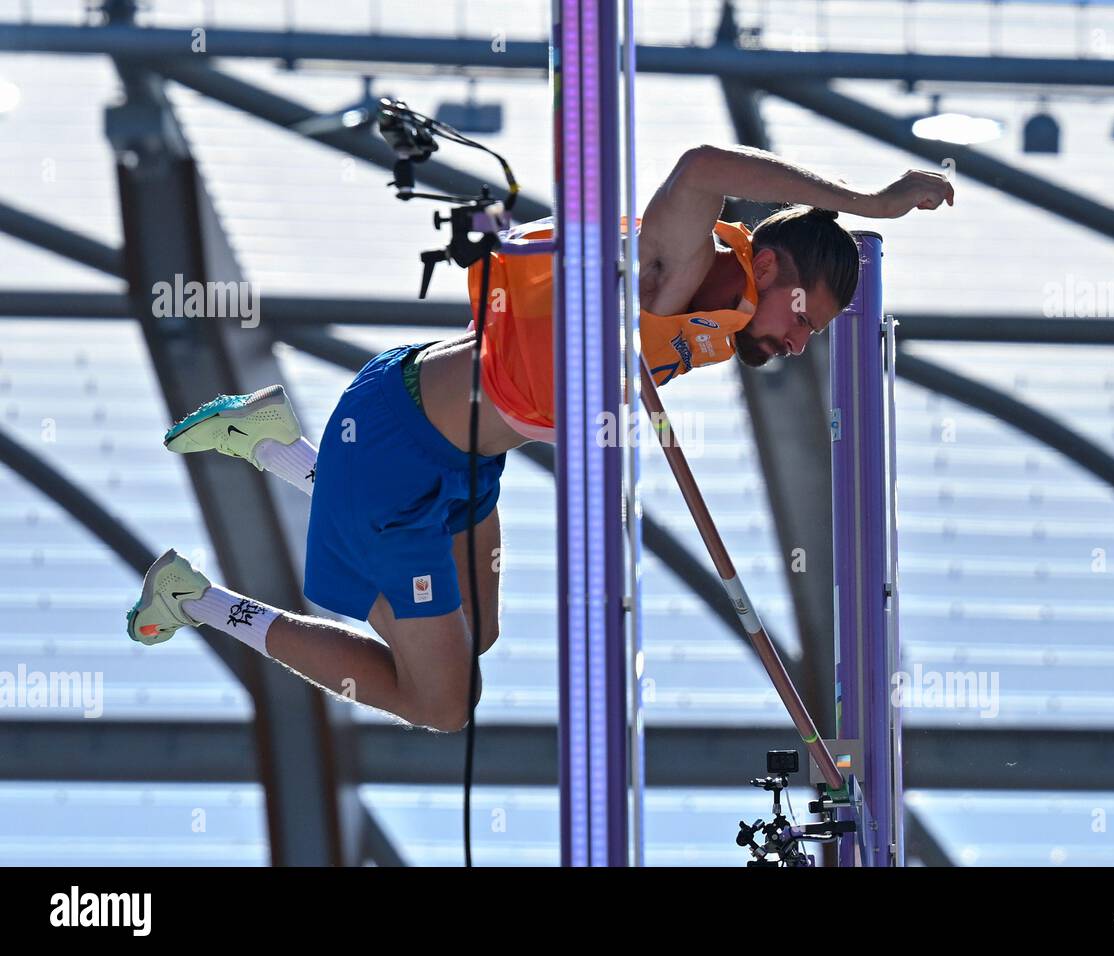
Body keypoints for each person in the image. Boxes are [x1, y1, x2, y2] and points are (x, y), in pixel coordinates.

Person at [126, 145, 954, 732]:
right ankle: (195, 598)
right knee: (442, 702)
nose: (801, 343)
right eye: (806, 316)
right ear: (769, 268)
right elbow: (702, 167)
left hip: (452, 453)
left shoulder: (722, 308)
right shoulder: (684, 272)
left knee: (474, 633)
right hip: (397, 444)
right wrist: (874, 203)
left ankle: (275, 447)